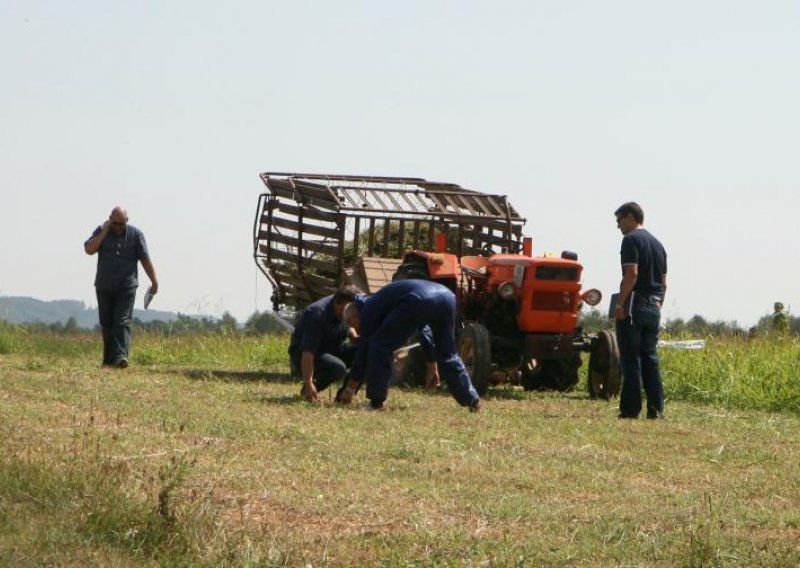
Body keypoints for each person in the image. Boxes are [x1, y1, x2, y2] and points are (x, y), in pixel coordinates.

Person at [337, 279, 480, 411]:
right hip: (447, 297)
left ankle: (376, 403)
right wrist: (432, 364)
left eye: (351, 324)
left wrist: (349, 389)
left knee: (379, 346)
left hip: (417, 299)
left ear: (355, 315)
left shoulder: (367, 309)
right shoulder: (380, 302)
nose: (354, 329)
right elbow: (423, 329)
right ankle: (472, 400)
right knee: (448, 353)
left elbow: (364, 352)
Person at [84, 206, 158, 368]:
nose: (118, 227)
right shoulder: (101, 230)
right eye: (115, 223)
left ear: (127, 221)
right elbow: (89, 249)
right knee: (107, 323)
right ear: (110, 219)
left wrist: (154, 282)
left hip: (126, 286)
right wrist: (104, 231)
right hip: (104, 285)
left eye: (121, 224)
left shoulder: (136, 235)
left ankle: (121, 356)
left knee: (121, 321)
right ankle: (109, 360)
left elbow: (145, 259)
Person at [613, 202, 668, 419]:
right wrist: (657, 305)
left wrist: (620, 304)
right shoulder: (658, 244)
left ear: (629, 217)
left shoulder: (631, 240)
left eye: (619, 220)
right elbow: (663, 283)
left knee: (630, 358)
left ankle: (630, 409)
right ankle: (656, 410)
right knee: (650, 358)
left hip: (634, 305)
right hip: (654, 305)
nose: (618, 226)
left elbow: (632, 275)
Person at [288, 285, 361, 402]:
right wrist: (308, 383)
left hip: (332, 347)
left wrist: (354, 335)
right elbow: (307, 353)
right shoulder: (317, 315)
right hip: (306, 354)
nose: (355, 313)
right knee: (338, 368)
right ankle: (311, 390)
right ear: (339, 304)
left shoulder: (345, 309)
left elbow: (347, 327)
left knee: (366, 351)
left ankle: (344, 394)